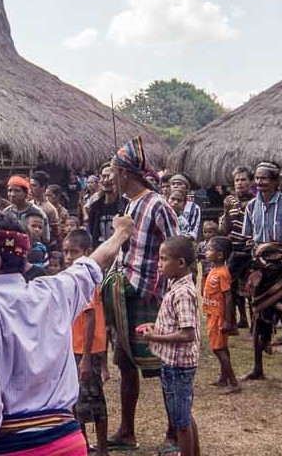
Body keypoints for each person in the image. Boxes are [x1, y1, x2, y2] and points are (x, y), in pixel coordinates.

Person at [0, 210, 134, 456]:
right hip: (67, 443)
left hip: (9, 447)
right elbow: (92, 265)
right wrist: (121, 232)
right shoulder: (52, 292)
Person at [101, 138, 177, 451]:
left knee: (163, 366)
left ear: (127, 174)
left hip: (151, 298)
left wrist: (170, 297)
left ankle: (174, 434)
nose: (110, 178)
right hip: (127, 295)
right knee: (124, 362)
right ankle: (127, 432)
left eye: (114, 172)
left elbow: (179, 247)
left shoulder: (158, 204)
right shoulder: (130, 205)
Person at [241, 160, 282, 389]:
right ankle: (257, 368)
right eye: (257, 178)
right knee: (259, 315)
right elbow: (248, 237)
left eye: (264, 178)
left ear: (277, 181)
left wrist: (281, 254)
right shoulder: (250, 207)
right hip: (261, 268)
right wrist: (258, 255)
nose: (260, 182)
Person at [136, 236, 201, 456]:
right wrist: (155, 327)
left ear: (180, 263)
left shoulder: (183, 293)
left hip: (179, 366)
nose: (159, 264)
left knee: (180, 422)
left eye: (164, 259)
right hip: (173, 363)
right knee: (184, 414)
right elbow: (175, 322)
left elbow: (187, 333)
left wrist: (155, 338)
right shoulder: (175, 286)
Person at [64, 230, 109, 456]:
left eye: (75, 251)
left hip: (87, 349)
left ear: (87, 253)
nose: (69, 256)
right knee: (76, 403)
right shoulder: (70, 278)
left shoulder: (87, 280)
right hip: (74, 348)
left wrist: (88, 359)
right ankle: (82, 445)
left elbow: (91, 318)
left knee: (95, 402)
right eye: (66, 252)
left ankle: (102, 449)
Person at [202, 235, 240, 394]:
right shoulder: (214, 270)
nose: (206, 252)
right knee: (222, 347)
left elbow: (228, 297)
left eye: (209, 249)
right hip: (212, 314)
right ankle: (223, 379)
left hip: (219, 317)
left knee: (218, 349)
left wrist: (227, 320)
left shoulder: (223, 273)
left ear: (219, 255)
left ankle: (234, 382)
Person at [86, 165, 128, 247]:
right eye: (103, 176)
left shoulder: (126, 206)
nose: (106, 180)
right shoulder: (95, 207)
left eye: (109, 176)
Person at [168, 174, 201, 241]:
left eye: (179, 184)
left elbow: (193, 232)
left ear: (187, 188)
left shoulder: (194, 208)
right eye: (173, 184)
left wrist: (179, 241)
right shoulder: (163, 204)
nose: (175, 186)